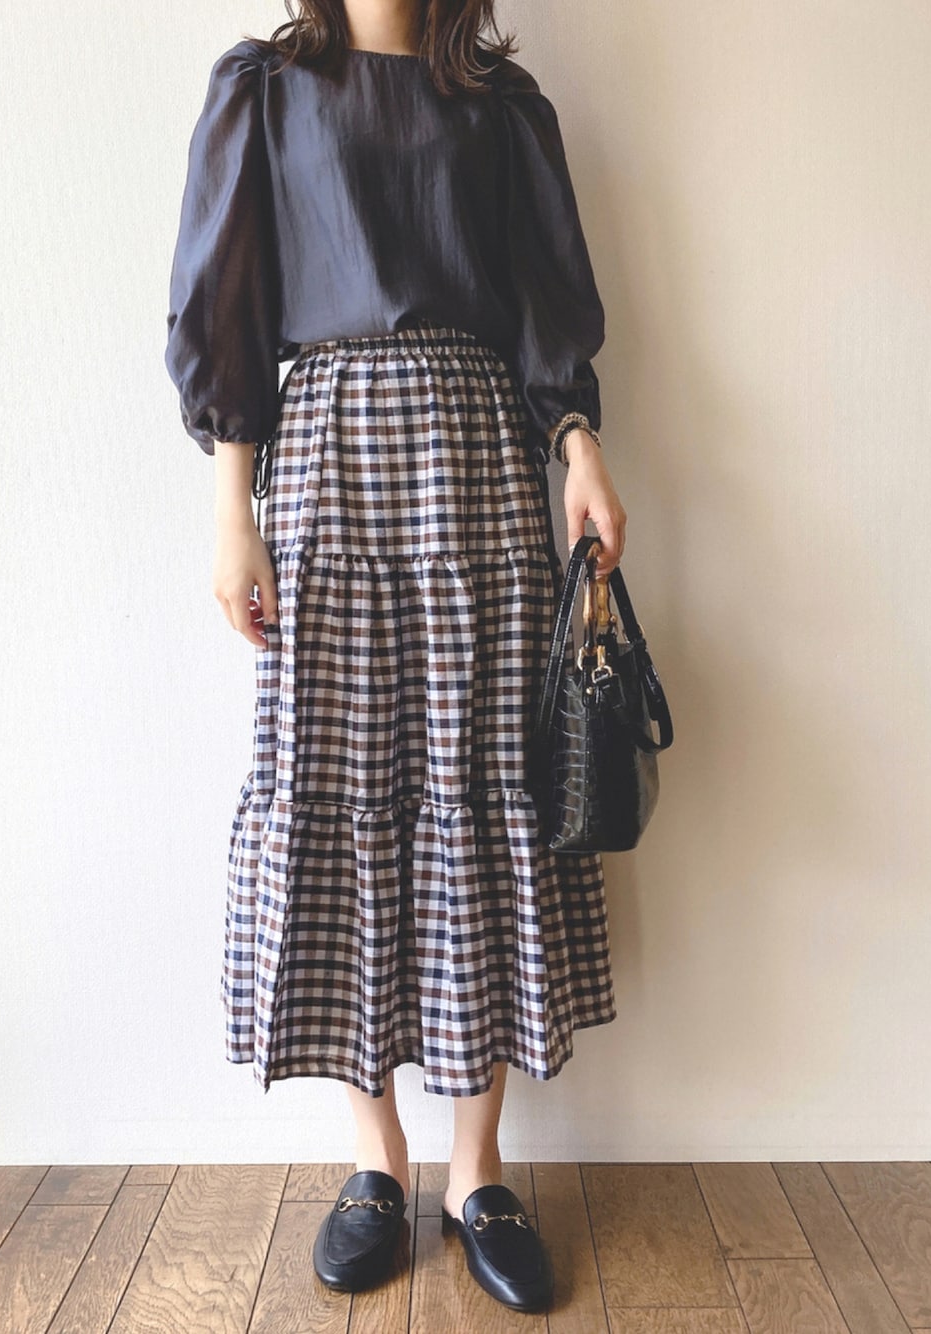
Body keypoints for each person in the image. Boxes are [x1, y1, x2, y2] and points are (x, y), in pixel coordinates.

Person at [164, 0, 627, 1313]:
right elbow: (228, 305)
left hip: (480, 468)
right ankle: (376, 1162)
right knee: (340, 784)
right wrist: (231, 512)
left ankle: (479, 1170)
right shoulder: (264, 91)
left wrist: (582, 449)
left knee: (485, 791)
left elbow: (543, 303)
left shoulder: (501, 105)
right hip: (325, 470)